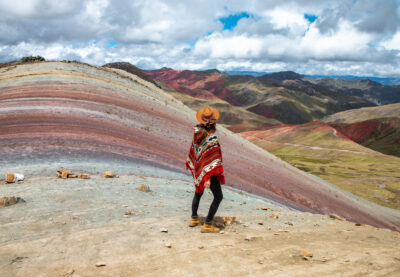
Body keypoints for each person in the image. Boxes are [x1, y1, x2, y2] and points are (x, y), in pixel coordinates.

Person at [185, 106, 225, 233]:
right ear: (213, 122)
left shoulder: (197, 133)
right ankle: (208, 224)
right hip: (210, 172)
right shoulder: (211, 137)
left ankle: (194, 218)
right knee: (218, 197)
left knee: (198, 192)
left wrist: (201, 173)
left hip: (200, 170)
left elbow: (196, 154)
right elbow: (213, 157)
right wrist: (207, 177)